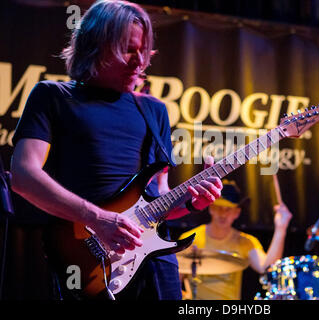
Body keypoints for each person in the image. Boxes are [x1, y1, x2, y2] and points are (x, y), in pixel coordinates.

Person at [10, 0, 222, 300]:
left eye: (144, 50)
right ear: (94, 45)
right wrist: (98, 219)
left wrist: (190, 202)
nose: (140, 61)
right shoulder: (52, 96)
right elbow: (23, 175)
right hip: (88, 261)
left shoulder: (154, 110)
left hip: (155, 264)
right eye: (128, 49)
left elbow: (157, 200)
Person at [179, 180, 292, 300]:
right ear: (210, 208)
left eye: (228, 209)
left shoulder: (245, 242)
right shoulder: (189, 238)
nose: (223, 214)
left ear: (237, 213)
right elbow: (173, 282)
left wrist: (281, 229)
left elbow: (267, 268)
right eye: (219, 207)